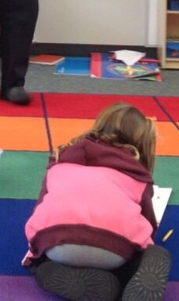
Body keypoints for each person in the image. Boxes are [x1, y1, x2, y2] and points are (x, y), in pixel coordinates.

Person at [22, 102, 171, 301]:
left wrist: (36, 252)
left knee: (44, 257)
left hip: (56, 246)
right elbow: (149, 223)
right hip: (113, 253)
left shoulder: (60, 162)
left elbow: (40, 207)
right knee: (151, 253)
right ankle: (124, 276)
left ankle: (47, 269)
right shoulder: (137, 175)